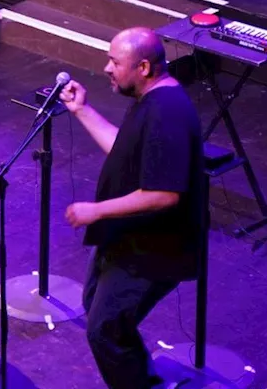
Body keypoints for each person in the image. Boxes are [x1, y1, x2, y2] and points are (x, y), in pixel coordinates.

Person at [59, 26, 206, 389]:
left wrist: (97, 211)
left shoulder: (166, 113)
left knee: (105, 329)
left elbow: (164, 193)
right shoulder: (149, 99)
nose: (107, 68)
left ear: (143, 67)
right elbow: (123, 149)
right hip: (129, 238)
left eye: (114, 62)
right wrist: (82, 111)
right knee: (102, 314)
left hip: (154, 249)